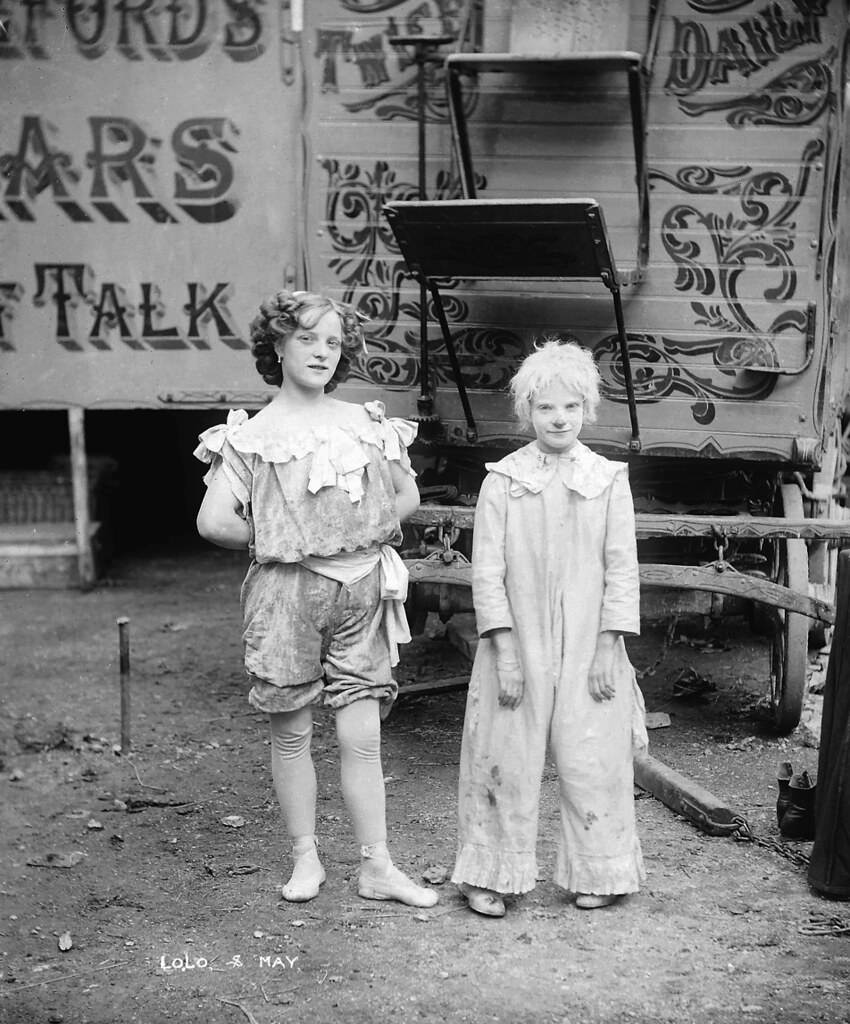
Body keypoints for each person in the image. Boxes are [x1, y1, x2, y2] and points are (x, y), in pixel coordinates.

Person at [195, 289, 437, 909]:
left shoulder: (362, 424)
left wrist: (353, 530)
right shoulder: (254, 436)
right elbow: (215, 521)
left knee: (362, 734)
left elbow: (405, 495)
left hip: (360, 589)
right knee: (292, 731)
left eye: (333, 342)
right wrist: (282, 535)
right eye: (307, 338)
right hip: (285, 594)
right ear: (277, 345)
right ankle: (307, 858)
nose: (321, 352)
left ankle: (376, 865)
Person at [452, 339, 647, 916]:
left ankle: (599, 870)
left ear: (587, 410)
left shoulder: (608, 479)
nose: (558, 418)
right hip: (517, 640)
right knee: (503, 754)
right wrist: (505, 652)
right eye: (544, 408)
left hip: (591, 641)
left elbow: (622, 568)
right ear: (527, 413)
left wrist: (610, 647)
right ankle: (489, 874)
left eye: (569, 407)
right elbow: (486, 572)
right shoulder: (504, 481)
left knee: (593, 755)